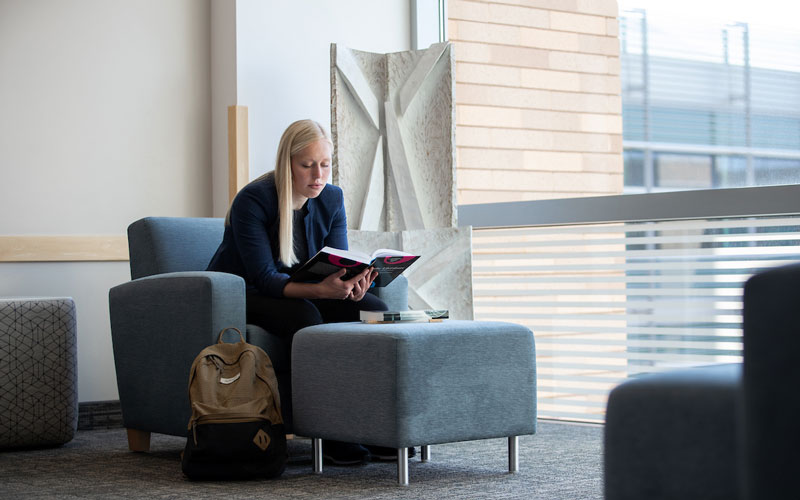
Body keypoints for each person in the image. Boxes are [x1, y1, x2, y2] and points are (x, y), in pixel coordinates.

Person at [207, 119, 411, 464]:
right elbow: (266, 278)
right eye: (307, 165)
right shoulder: (253, 201)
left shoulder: (332, 198)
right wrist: (321, 291)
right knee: (305, 317)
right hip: (245, 292)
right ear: (287, 163)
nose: (318, 175)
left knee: (375, 311)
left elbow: (341, 263)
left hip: (306, 289)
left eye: (325, 164)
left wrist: (356, 283)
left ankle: (377, 429)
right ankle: (329, 432)